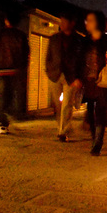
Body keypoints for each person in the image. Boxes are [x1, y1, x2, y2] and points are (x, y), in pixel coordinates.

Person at [80, 11, 107, 156]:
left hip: (104, 81)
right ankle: (94, 138)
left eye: (90, 20)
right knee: (90, 112)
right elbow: (80, 61)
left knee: (101, 111)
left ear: (98, 22)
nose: (87, 23)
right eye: (86, 20)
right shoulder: (85, 41)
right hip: (89, 81)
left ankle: (98, 143)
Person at [46, 10, 83, 142]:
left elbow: (82, 60)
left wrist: (79, 77)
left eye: (64, 21)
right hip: (55, 74)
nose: (62, 23)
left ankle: (63, 131)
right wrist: (49, 71)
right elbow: (48, 57)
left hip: (72, 77)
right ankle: (60, 126)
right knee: (57, 105)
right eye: (60, 21)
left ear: (72, 23)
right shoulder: (54, 38)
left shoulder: (79, 40)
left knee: (67, 104)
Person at [0, 11, 29, 134]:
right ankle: (10, 115)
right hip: (16, 70)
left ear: (6, 20)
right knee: (15, 96)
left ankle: (2, 123)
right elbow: (26, 54)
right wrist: (23, 68)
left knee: (2, 97)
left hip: (1, 71)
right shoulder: (21, 36)